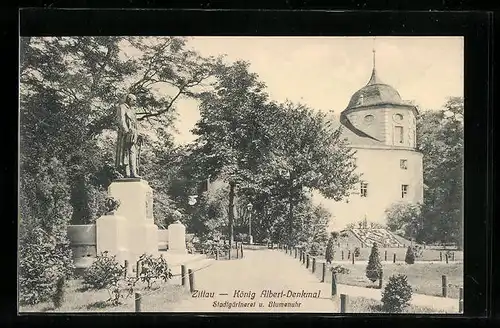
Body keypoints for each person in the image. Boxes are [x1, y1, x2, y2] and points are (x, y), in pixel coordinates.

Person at [115, 94, 141, 178]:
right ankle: (127, 173)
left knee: (133, 152)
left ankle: (133, 172)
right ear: (129, 99)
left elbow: (135, 122)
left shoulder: (132, 110)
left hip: (133, 134)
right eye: (134, 100)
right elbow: (121, 120)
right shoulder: (122, 107)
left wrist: (138, 133)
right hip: (125, 134)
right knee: (125, 153)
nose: (135, 102)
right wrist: (126, 131)